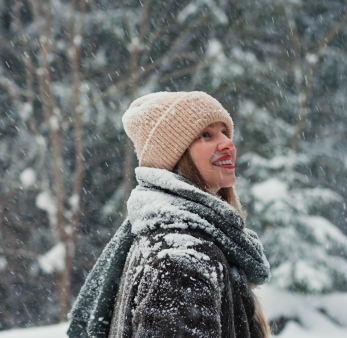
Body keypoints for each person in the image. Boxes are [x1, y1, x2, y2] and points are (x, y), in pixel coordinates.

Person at [68, 91, 271, 337]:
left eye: (225, 132)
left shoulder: (171, 239)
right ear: (174, 155)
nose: (228, 144)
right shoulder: (182, 259)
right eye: (205, 135)